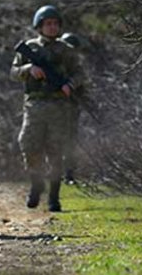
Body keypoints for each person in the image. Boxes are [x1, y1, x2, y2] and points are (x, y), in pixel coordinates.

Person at [10, 5, 85, 212]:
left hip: (59, 106)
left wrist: (70, 85)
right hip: (34, 105)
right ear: (39, 26)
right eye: (47, 24)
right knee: (28, 144)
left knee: (55, 151)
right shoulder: (30, 47)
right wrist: (28, 69)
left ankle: (54, 196)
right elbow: (13, 72)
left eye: (55, 24)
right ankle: (36, 183)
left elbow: (79, 73)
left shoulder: (66, 50)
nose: (52, 27)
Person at [59, 32, 87, 185]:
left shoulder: (76, 68)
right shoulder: (55, 65)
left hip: (71, 108)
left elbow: (80, 82)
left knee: (70, 142)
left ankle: (69, 174)